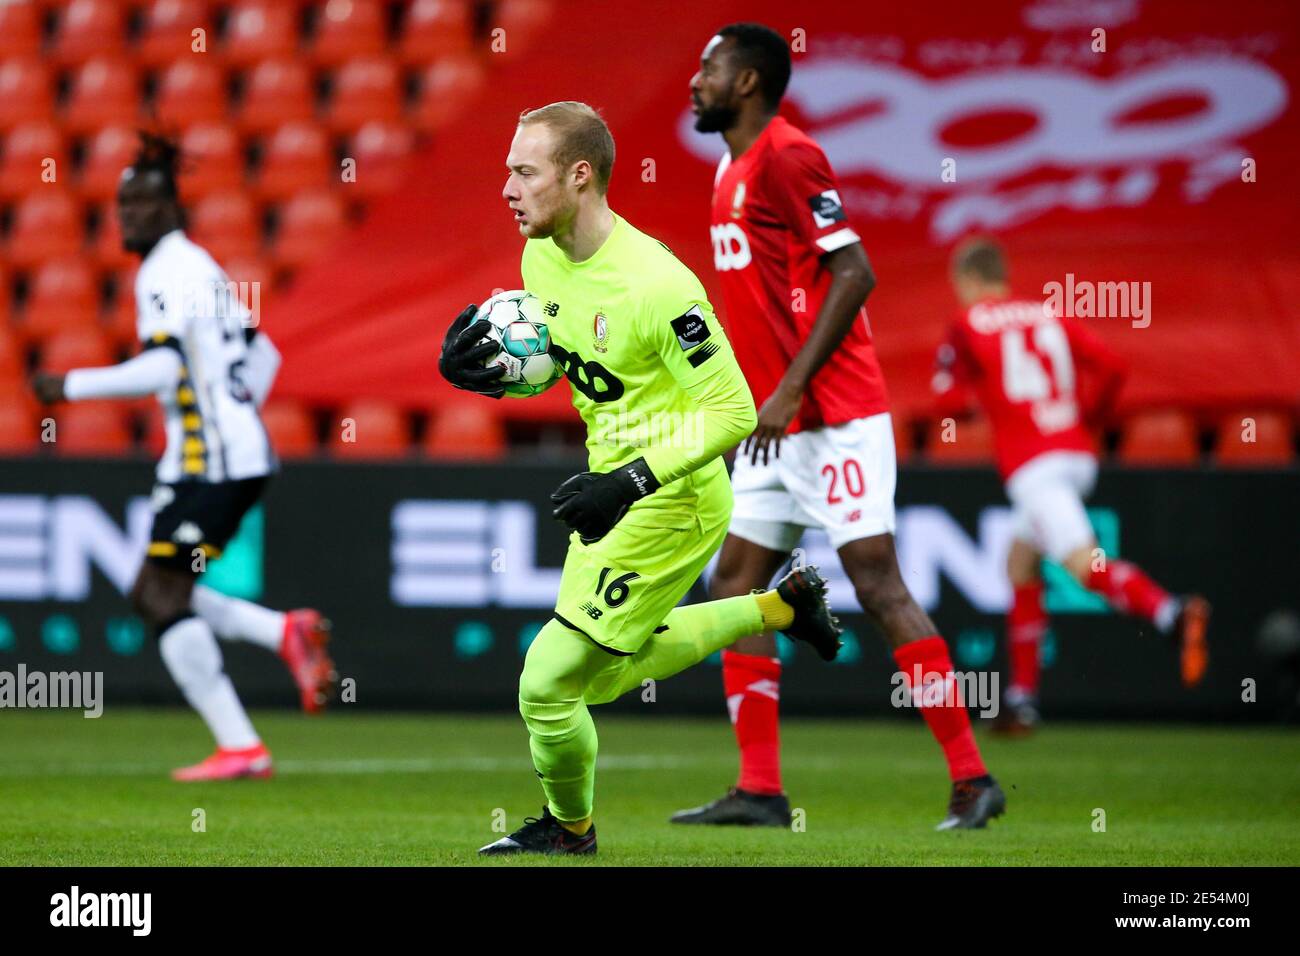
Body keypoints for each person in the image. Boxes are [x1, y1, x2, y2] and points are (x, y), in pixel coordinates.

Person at [438, 101, 844, 856]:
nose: (508, 188)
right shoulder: (539, 257)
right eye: (508, 172)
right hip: (612, 491)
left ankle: (571, 830)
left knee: (546, 683)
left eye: (525, 172)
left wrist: (627, 482)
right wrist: (496, 378)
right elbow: (581, 367)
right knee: (590, 684)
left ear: (579, 175)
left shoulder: (661, 285)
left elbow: (733, 411)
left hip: (671, 496)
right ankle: (776, 609)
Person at [675, 22, 1004, 830]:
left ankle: (972, 779)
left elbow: (856, 271)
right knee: (736, 583)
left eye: (710, 68)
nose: (696, 81)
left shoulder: (789, 155)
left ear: (748, 81)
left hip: (833, 414)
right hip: (773, 424)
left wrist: (789, 390)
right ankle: (759, 789)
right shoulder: (728, 168)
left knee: (876, 582)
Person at [31, 133, 337, 781]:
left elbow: (167, 368)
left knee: (158, 595)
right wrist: (235, 413)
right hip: (219, 458)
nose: (129, 217)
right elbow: (264, 355)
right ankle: (283, 636)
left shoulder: (165, 271)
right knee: (162, 589)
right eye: (122, 205)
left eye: (142, 205)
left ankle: (242, 745)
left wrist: (71, 386)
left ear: (172, 210)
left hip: (214, 464)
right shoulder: (203, 268)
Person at [933, 237, 1210, 733]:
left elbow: (947, 403)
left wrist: (978, 401)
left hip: (1034, 465)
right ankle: (1021, 699)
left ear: (969, 280)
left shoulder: (969, 323)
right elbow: (1113, 367)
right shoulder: (1046, 314)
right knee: (1020, 563)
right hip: (1076, 452)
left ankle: (1172, 612)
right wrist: (1086, 418)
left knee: (1085, 564)